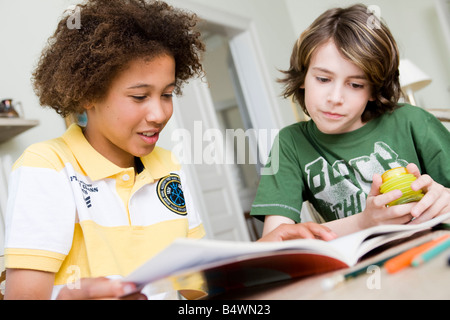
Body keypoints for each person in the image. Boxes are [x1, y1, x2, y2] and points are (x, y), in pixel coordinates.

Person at [3, 0, 334, 300]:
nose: (160, 114)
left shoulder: (167, 166)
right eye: (139, 96)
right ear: (88, 94)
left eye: (167, 94)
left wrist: (261, 253)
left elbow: (196, 288)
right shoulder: (47, 166)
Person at [251, 4, 450, 238]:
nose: (335, 98)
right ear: (303, 76)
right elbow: (275, 241)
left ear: (374, 90)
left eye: (355, 85)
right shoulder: (291, 143)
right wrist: (364, 222)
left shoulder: (414, 122)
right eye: (323, 79)